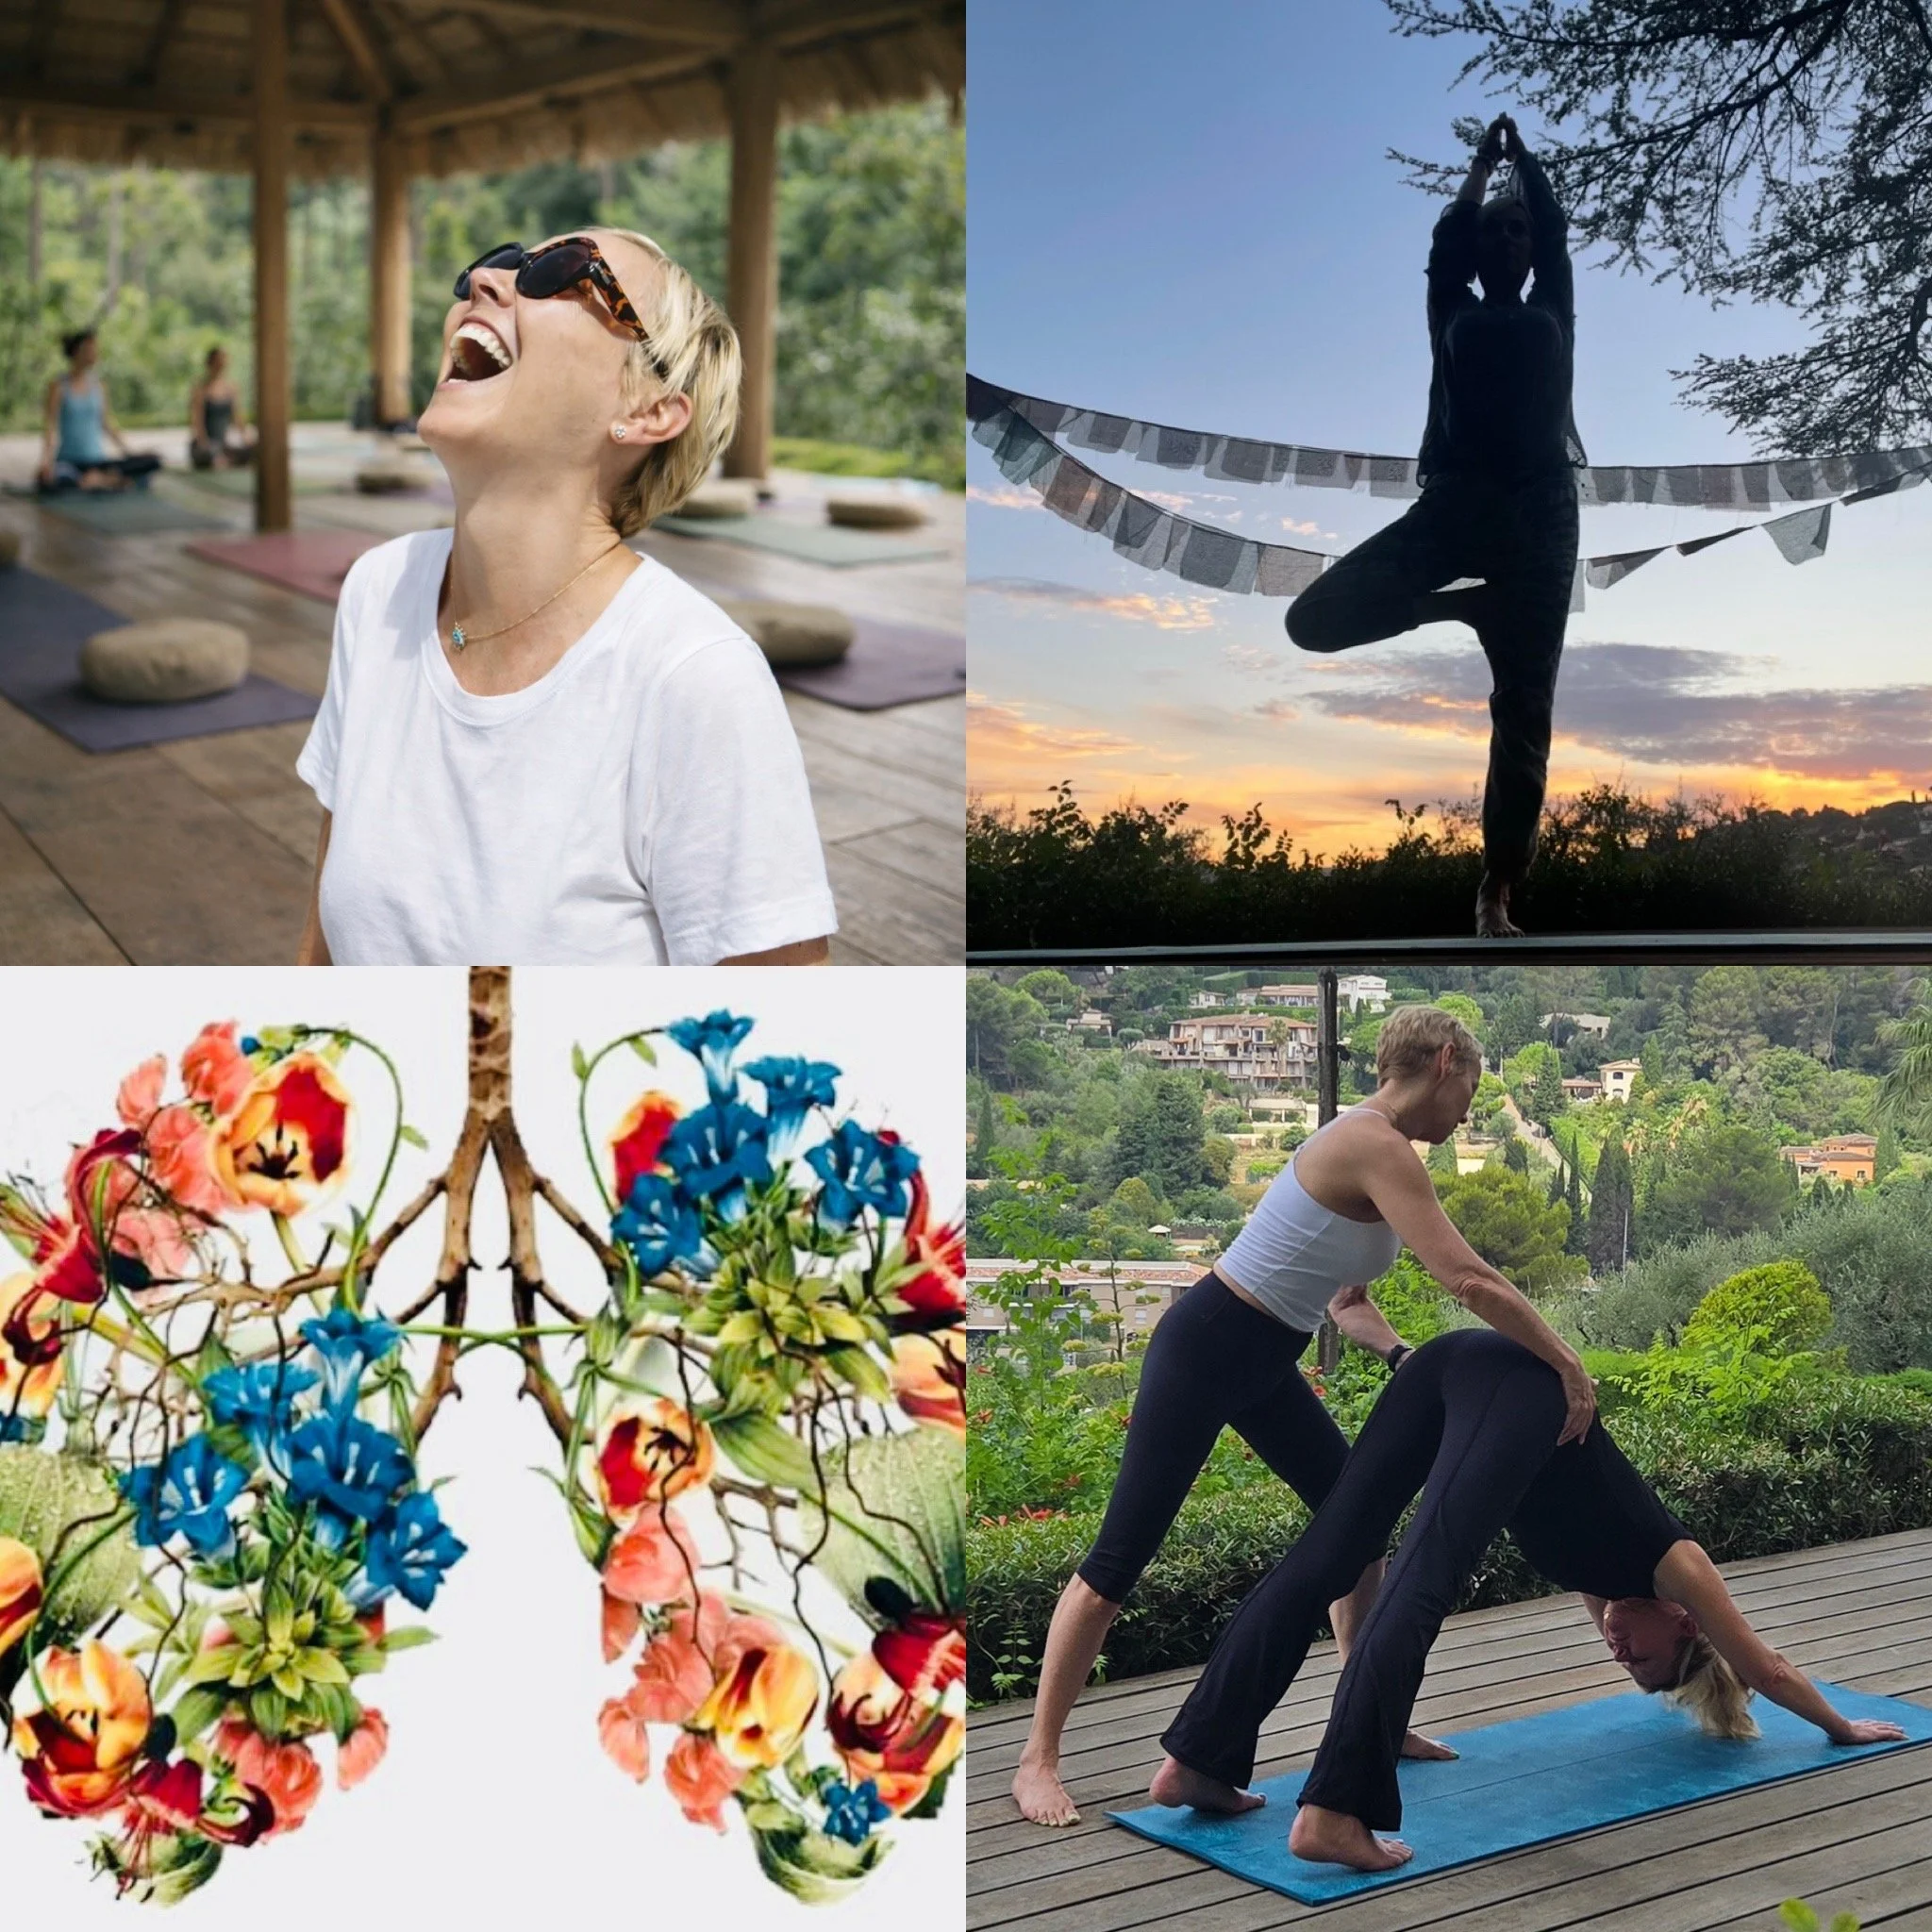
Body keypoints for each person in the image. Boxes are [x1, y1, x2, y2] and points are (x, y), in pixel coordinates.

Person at [1010, 1006, 1597, 1826]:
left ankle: (1365, 1726)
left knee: (1353, 1531)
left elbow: (1319, 1254)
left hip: (1263, 1356)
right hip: (1207, 1346)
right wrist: (1565, 1362)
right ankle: (1037, 1761)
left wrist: (1349, 1307)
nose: (1469, 1105)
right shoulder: (1373, 1142)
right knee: (1119, 1559)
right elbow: (1467, 1278)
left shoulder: (1370, 1142)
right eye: (1470, 1084)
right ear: (1443, 1060)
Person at [1150, 1328, 1906, 1874]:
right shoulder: (1679, 1568)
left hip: (1451, 1365)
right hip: (1522, 1386)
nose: (1617, 1649)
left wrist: (1377, 1335)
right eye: (1640, 1654)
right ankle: (1333, 1812)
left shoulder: (1603, 1591)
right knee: (1419, 1583)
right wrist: (1839, 1726)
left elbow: (1481, 1432)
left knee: (1329, 1553)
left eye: (1623, 1665)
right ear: (1683, 1623)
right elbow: (1764, 1670)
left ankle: (1196, 1764)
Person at [293, 229, 838, 966]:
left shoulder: (695, 680)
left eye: (561, 270)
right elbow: (325, 952)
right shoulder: (380, 591)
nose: (486, 279)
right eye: (500, 260)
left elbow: (774, 1050)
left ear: (647, 411)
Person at [1285, 112, 1582, 940]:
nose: (1514, 239)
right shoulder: (1449, 309)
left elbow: (1556, 239)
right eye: (1500, 230)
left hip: (1543, 517)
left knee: (1525, 711)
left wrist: (1528, 170)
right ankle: (1462, 606)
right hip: (1453, 505)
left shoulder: (1555, 305)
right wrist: (1483, 171)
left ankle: (1496, 890)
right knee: (1312, 620)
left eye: (1521, 230)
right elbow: (1447, 241)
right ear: (1480, 250)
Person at [36, 330, 163, 493]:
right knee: (51, 481)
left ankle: (97, 480)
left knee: (153, 462)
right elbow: (50, 427)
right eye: (90, 349)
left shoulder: (99, 385)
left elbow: (107, 423)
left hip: (98, 461)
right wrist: (45, 462)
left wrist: (131, 452)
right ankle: (101, 481)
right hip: (70, 462)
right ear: (76, 352)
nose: (95, 354)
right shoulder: (58, 386)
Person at [189, 346, 255, 469]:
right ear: (209, 363)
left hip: (223, 444)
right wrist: (204, 443)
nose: (221, 365)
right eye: (217, 361)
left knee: (253, 450)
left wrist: (246, 437)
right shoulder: (200, 388)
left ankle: (224, 459)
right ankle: (219, 459)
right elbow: (197, 422)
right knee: (208, 454)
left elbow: (237, 418)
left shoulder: (231, 388)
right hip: (205, 443)